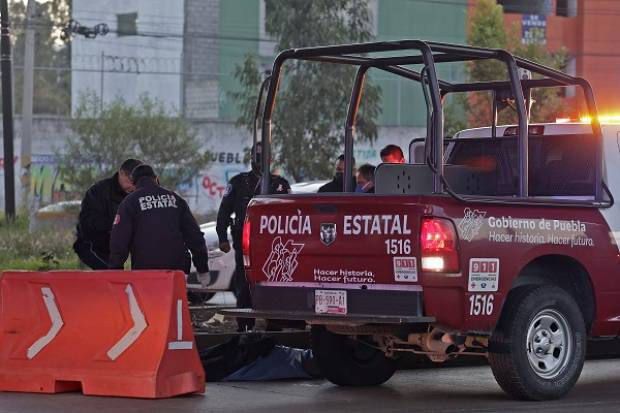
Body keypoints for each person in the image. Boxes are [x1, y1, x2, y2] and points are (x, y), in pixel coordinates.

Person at [217, 143, 291, 331]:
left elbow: (291, 215)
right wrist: (222, 237)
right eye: (257, 157)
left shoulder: (280, 184)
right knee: (244, 283)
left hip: (274, 245)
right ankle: (244, 327)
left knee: (274, 283)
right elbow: (224, 211)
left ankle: (274, 327)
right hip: (245, 243)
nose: (260, 162)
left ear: (272, 159)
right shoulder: (238, 182)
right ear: (251, 158)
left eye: (264, 157)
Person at [108, 164, 209, 279]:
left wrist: (115, 271)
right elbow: (194, 236)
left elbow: (119, 240)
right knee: (175, 297)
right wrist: (202, 268)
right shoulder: (175, 199)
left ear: (134, 183)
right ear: (156, 178)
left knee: (149, 298)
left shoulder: (129, 202)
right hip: (177, 271)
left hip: (145, 272)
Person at [73, 158, 143, 270]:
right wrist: (117, 225)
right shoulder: (98, 192)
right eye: (130, 180)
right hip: (97, 247)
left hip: (122, 246)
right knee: (111, 276)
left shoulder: (138, 194)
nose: (133, 185)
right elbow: (87, 224)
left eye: (137, 181)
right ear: (121, 173)